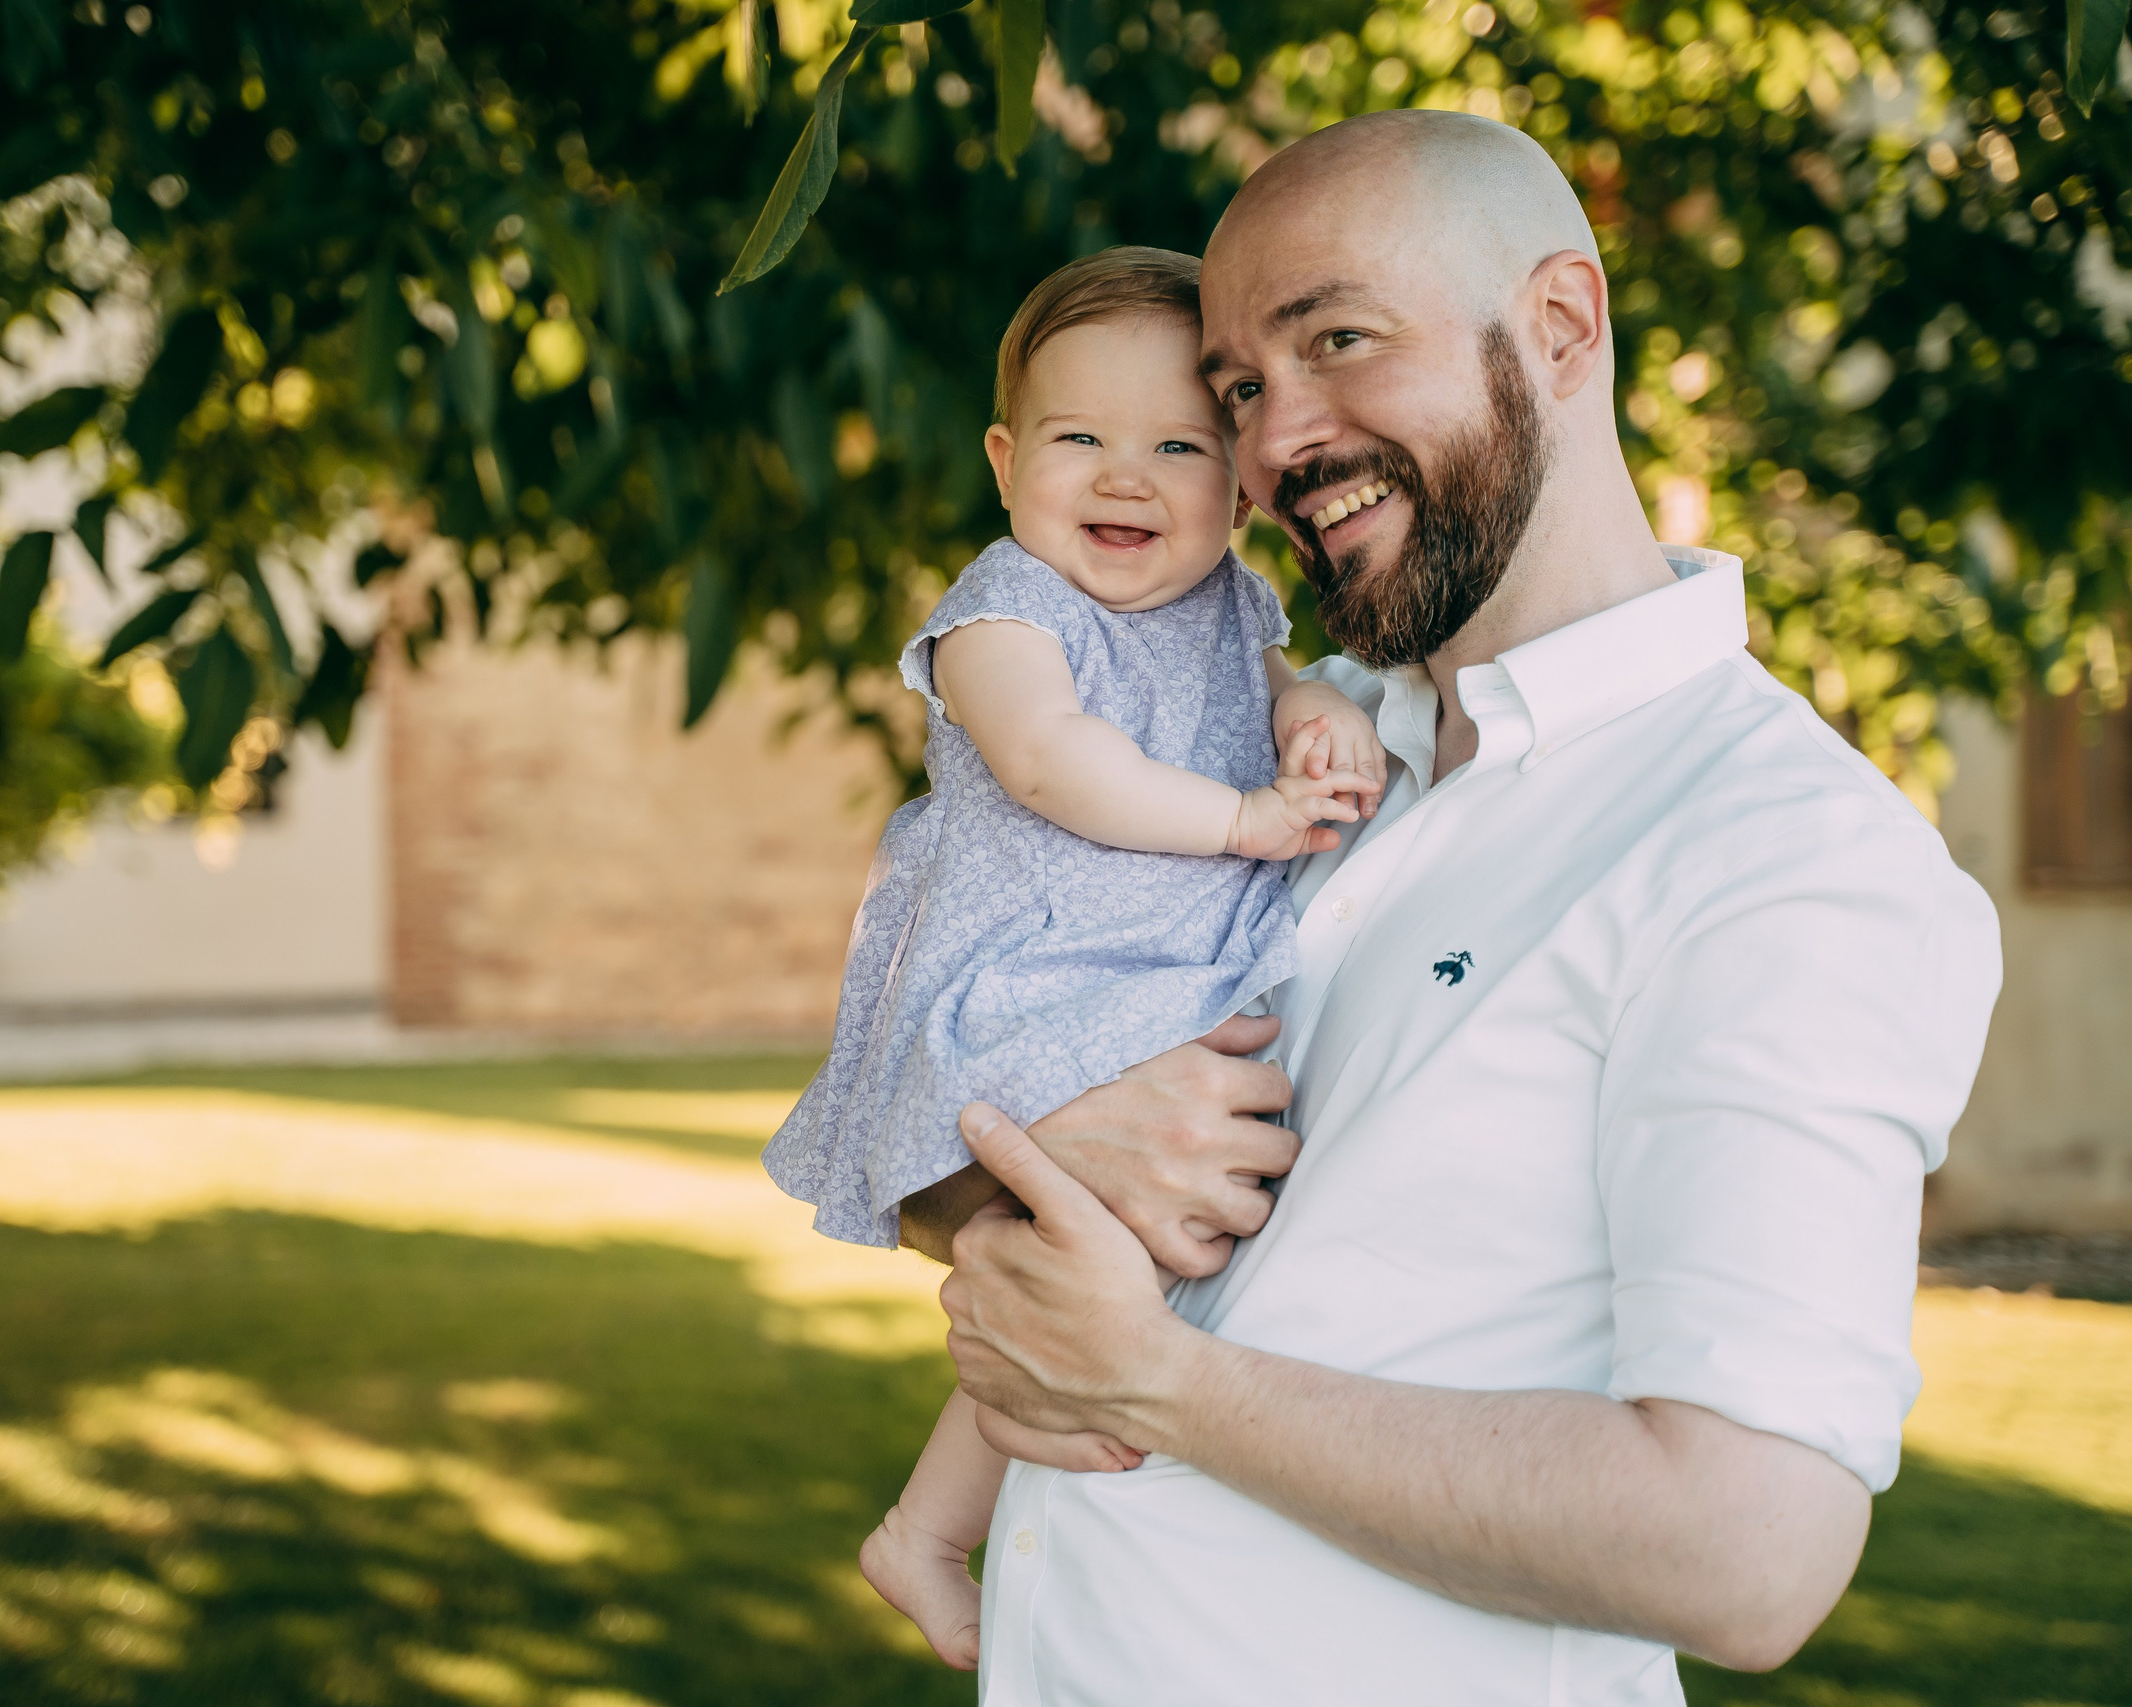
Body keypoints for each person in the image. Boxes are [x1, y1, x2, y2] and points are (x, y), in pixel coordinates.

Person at [923, 108, 2003, 1704]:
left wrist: (1159, 1382)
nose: (1276, 441)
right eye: (1237, 389)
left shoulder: (1789, 856)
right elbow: (950, 1061)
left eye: (1339, 340)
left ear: (1560, 328)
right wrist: (997, 1159)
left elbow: (1748, 1549)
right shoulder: (1289, 743)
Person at [761, 247, 1387, 1668]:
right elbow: (1052, 762)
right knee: (1100, 1243)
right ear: (1004, 461)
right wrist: (1245, 817)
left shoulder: (1234, 607)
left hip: (1141, 996)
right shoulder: (1003, 617)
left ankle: (926, 1528)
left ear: (1239, 483)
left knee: (1115, 1259)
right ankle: (931, 1528)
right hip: (1028, 986)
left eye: (1177, 445)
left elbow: (1272, 689)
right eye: (1079, 439)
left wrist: (1308, 727)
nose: (1126, 477)